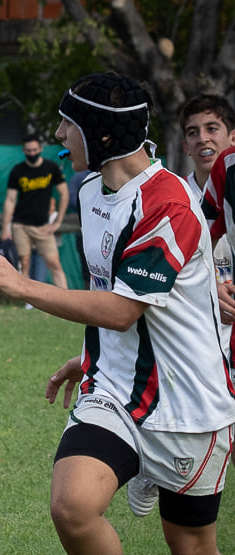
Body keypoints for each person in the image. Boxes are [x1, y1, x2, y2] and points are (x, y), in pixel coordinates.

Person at [0, 71, 235, 555]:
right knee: (72, 506)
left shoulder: (168, 203)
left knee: (193, 552)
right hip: (115, 390)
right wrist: (85, 355)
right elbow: (112, 305)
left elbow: (124, 309)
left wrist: (23, 285)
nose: (59, 133)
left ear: (103, 132)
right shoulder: (89, 190)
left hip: (190, 406)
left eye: (68, 123)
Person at [126, 95, 235, 518]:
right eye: (193, 133)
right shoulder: (172, 195)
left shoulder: (229, 175)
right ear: (184, 144)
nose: (203, 139)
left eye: (212, 129)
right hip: (190, 336)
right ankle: (150, 462)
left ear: (230, 136)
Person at [0, 135, 69, 290]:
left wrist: (57, 223)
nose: (32, 153)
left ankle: (67, 297)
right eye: (28, 150)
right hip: (20, 224)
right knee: (24, 262)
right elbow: (10, 200)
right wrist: (5, 228)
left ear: (40, 149)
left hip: (43, 226)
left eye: (35, 150)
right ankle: (28, 299)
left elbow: (64, 194)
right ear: (24, 151)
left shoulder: (51, 168)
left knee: (54, 263)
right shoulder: (17, 171)